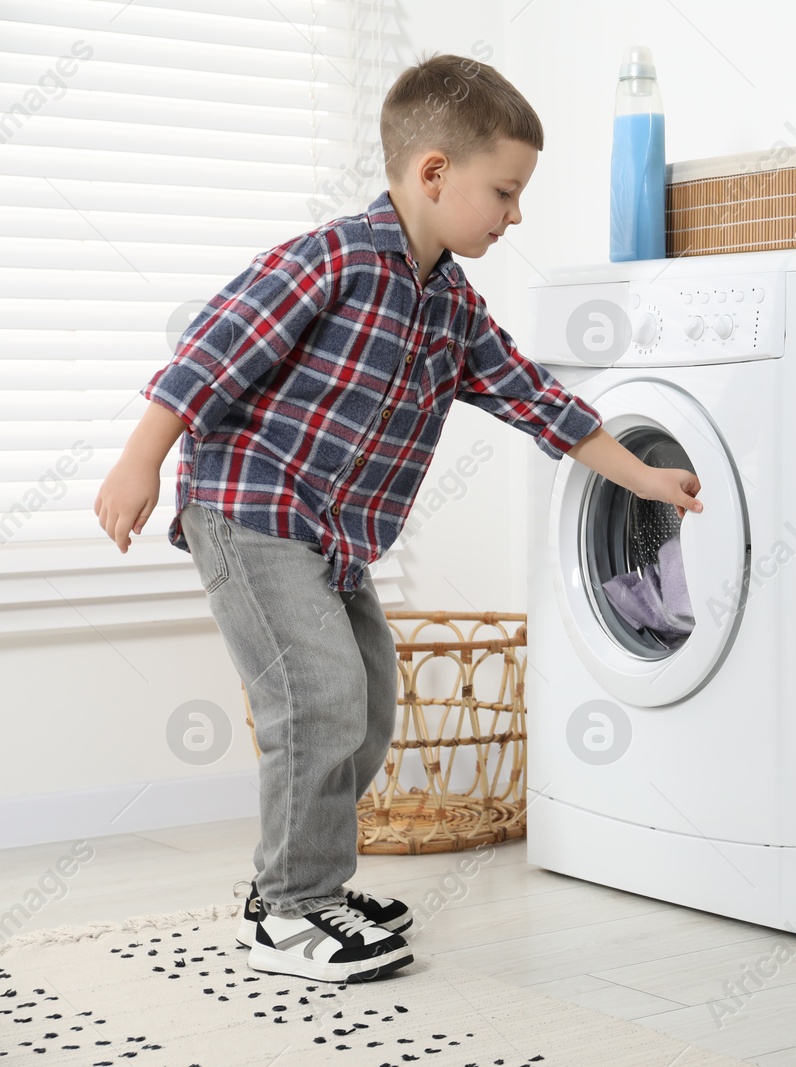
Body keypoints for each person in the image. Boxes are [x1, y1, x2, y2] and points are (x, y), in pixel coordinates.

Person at [91, 52, 701, 984]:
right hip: (252, 511)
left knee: (369, 705)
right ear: (433, 174)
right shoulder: (333, 259)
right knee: (319, 698)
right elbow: (213, 350)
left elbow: (534, 397)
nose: (515, 214)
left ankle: (309, 887)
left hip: (331, 538)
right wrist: (142, 457)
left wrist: (642, 478)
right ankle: (291, 905)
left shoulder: (451, 304)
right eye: (505, 191)